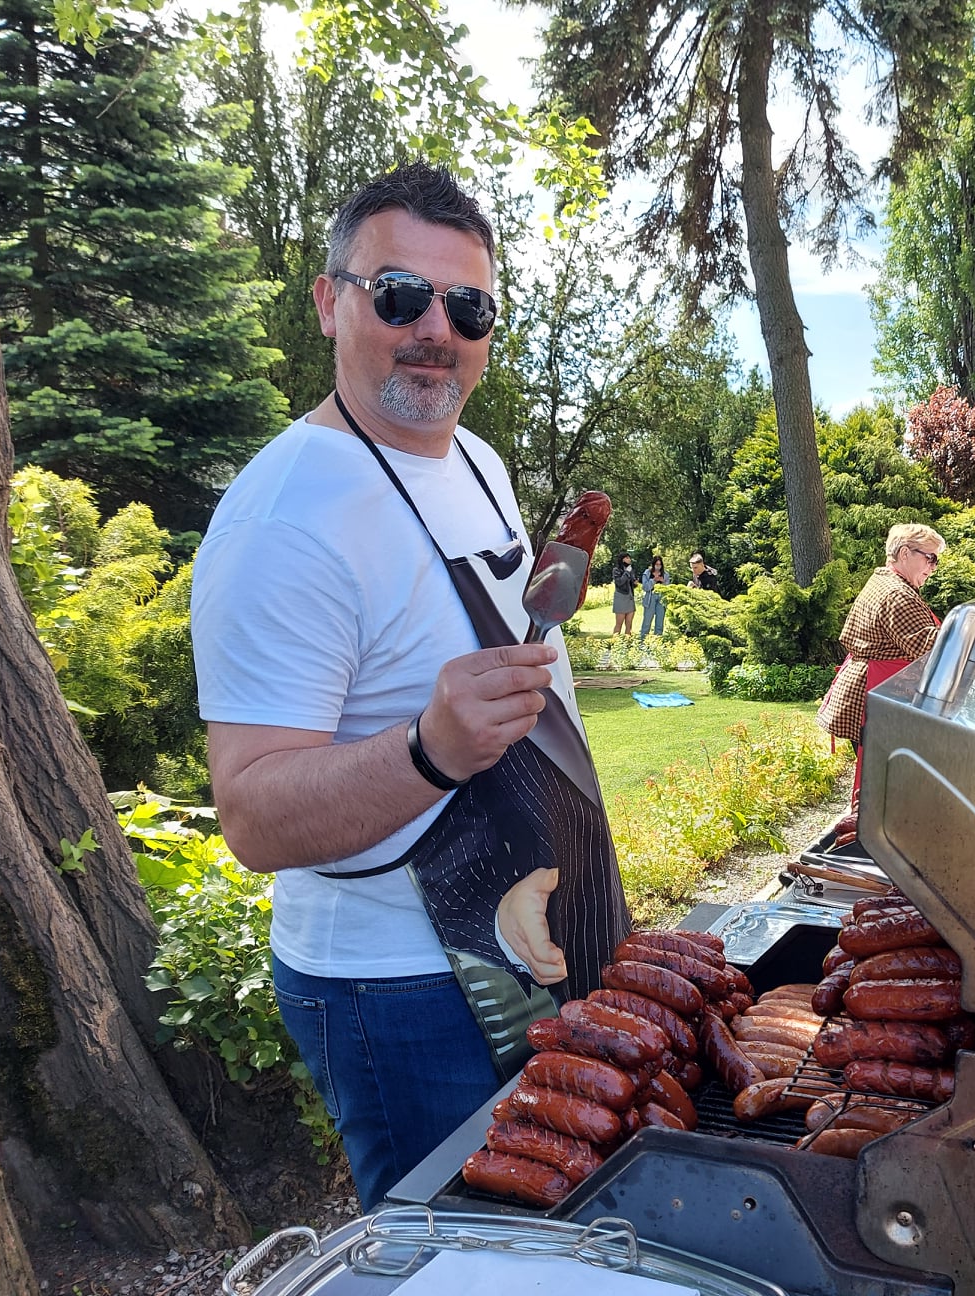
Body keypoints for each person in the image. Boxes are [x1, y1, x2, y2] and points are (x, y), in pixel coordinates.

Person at [190, 163, 630, 1210]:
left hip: (532, 933)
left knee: (542, 1240)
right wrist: (430, 745)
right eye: (400, 296)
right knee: (447, 1256)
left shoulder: (473, 456)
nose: (437, 328)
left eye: (467, 306)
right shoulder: (282, 521)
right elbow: (251, 815)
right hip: (396, 987)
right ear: (330, 300)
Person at [817, 523, 945, 814]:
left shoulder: (885, 581)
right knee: (884, 786)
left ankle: (878, 839)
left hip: (873, 690)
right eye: (930, 558)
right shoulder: (897, 593)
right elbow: (931, 647)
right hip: (876, 693)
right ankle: (877, 845)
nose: (933, 567)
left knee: (883, 784)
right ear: (904, 553)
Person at [638, 555, 667, 639]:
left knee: (659, 622)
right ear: (653, 564)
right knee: (647, 621)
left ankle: (657, 640)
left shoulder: (665, 574)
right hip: (650, 598)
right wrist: (654, 580)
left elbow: (668, 588)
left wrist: (663, 582)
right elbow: (645, 587)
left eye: (660, 565)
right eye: (656, 564)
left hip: (661, 598)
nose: (658, 566)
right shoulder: (647, 573)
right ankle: (643, 640)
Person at [611, 554, 638, 636]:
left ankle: (627, 643)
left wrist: (635, 583)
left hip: (629, 597)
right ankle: (615, 643)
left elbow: (631, 584)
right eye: (627, 558)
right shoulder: (616, 570)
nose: (629, 559)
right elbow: (619, 582)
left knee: (629, 624)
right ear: (622, 560)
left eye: (629, 557)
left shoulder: (631, 570)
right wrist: (626, 572)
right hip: (621, 597)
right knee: (619, 623)